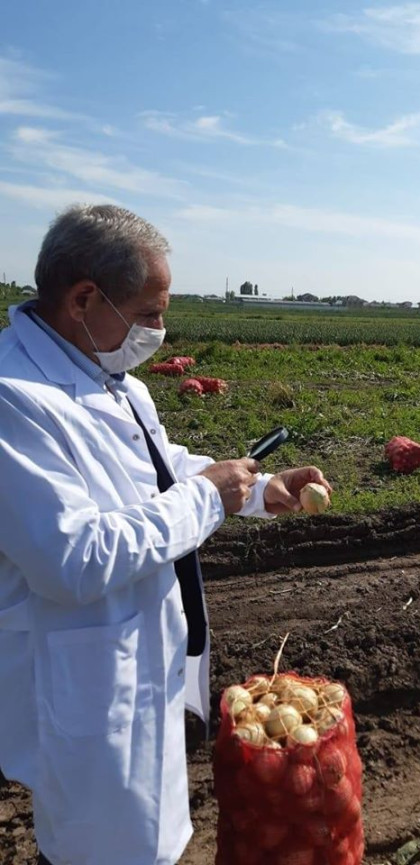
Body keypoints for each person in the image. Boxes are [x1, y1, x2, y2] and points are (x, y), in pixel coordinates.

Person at [0, 204, 332, 865]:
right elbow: (73, 557)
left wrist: (254, 493)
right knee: (102, 848)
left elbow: (153, 468)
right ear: (84, 297)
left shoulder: (101, 373)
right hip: (85, 681)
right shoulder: (15, 399)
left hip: (136, 658)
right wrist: (203, 498)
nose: (159, 328)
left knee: (147, 834)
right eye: (149, 311)